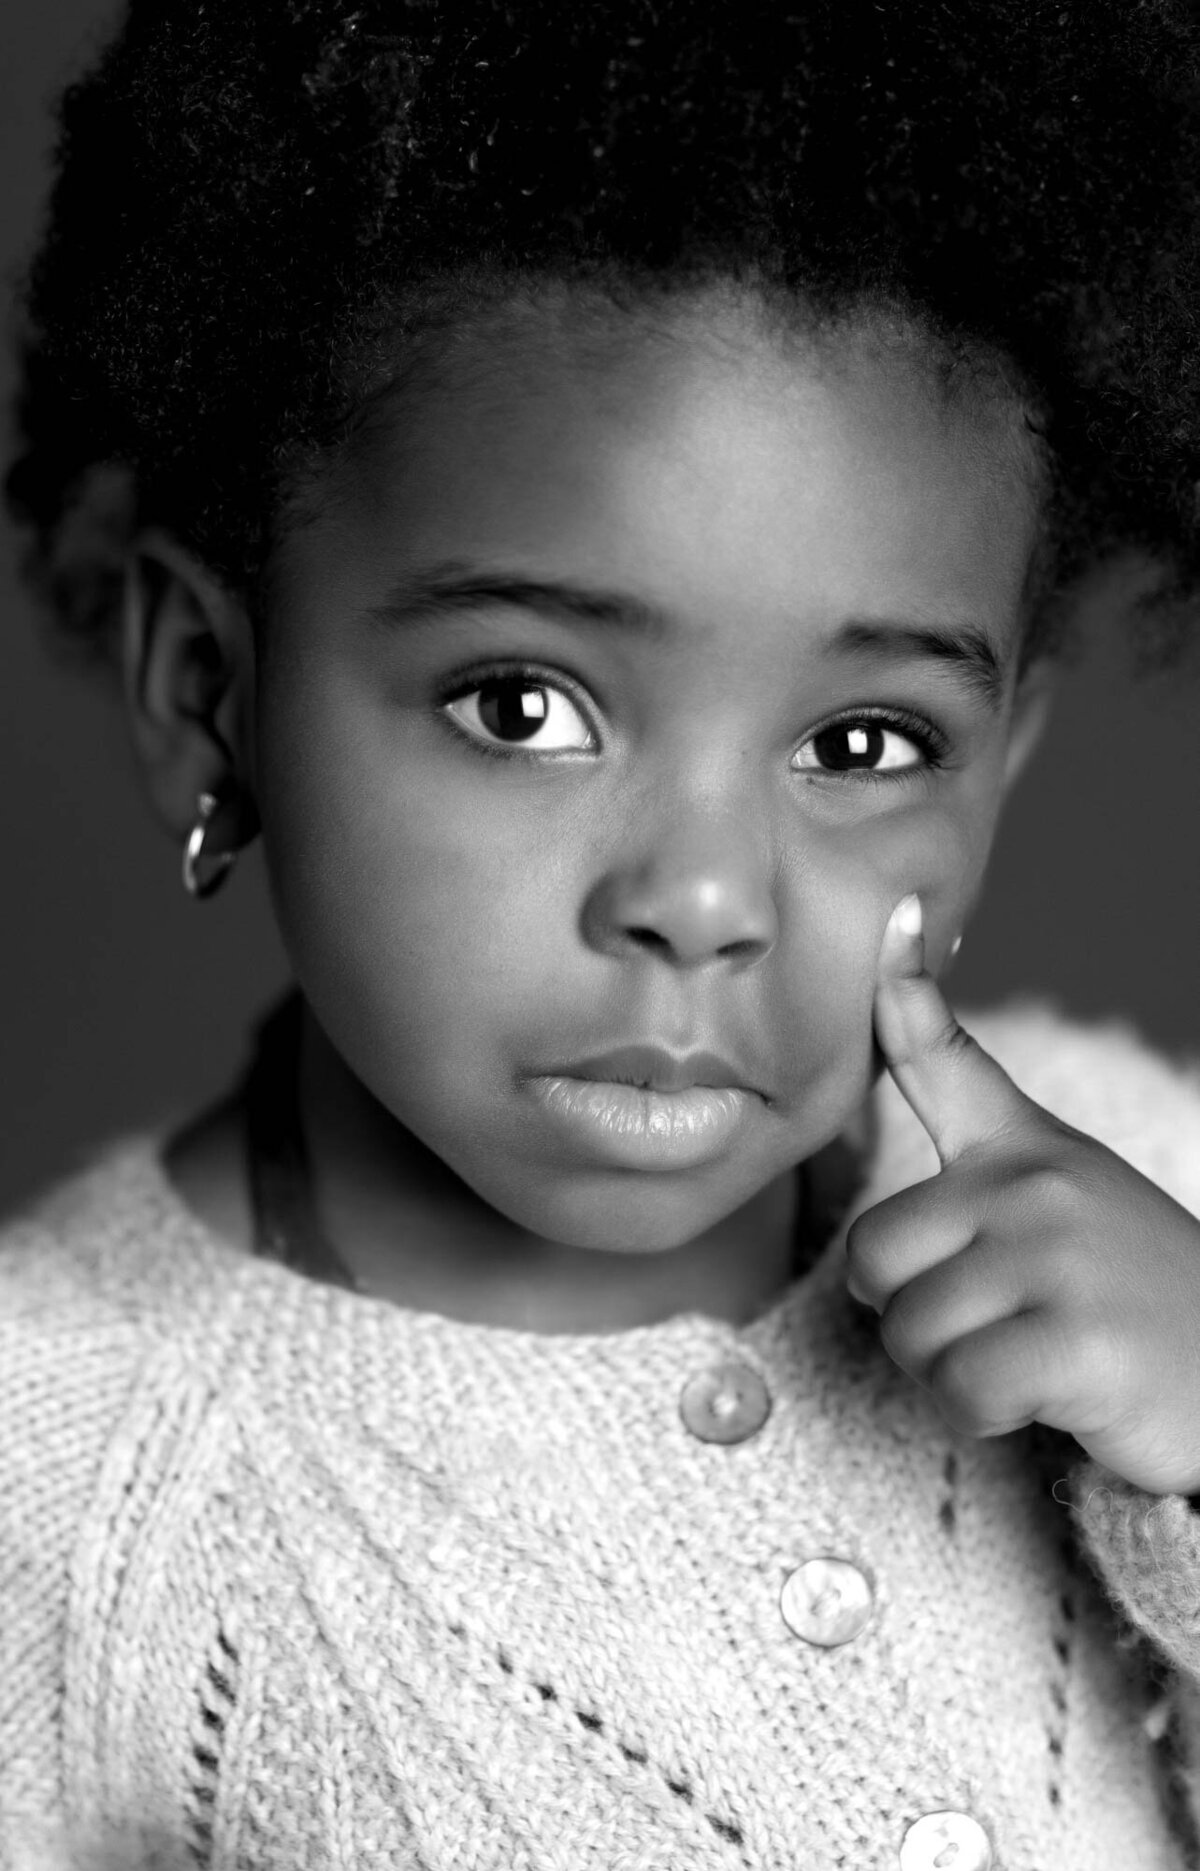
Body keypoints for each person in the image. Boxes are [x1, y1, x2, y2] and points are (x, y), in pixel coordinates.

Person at [5, 1, 1200, 1865]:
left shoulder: (1150, 1183)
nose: (704, 904)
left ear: (1002, 764)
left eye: (865, 743)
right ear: (206, 683)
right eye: (522, 705)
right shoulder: (56, 1479)